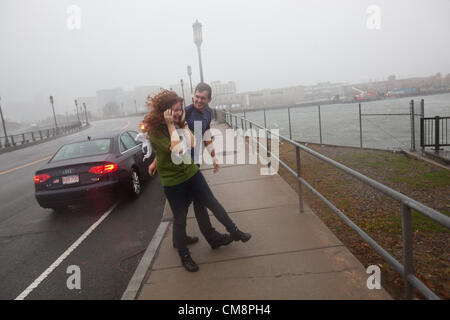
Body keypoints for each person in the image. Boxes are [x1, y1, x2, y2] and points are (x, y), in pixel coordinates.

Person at [144, 90, 251, 272]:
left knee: (212, 202)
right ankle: (184, 255)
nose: (179, 113)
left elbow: (192, 143)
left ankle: (234, 231)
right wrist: (170, 127)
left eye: (180, 109)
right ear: (165, 112)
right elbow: (177, 150)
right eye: (175, 111)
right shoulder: (155, 131)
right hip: (173, 180)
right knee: (180, 217)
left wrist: (183, 124)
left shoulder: (182, 121)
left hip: (191, 171)